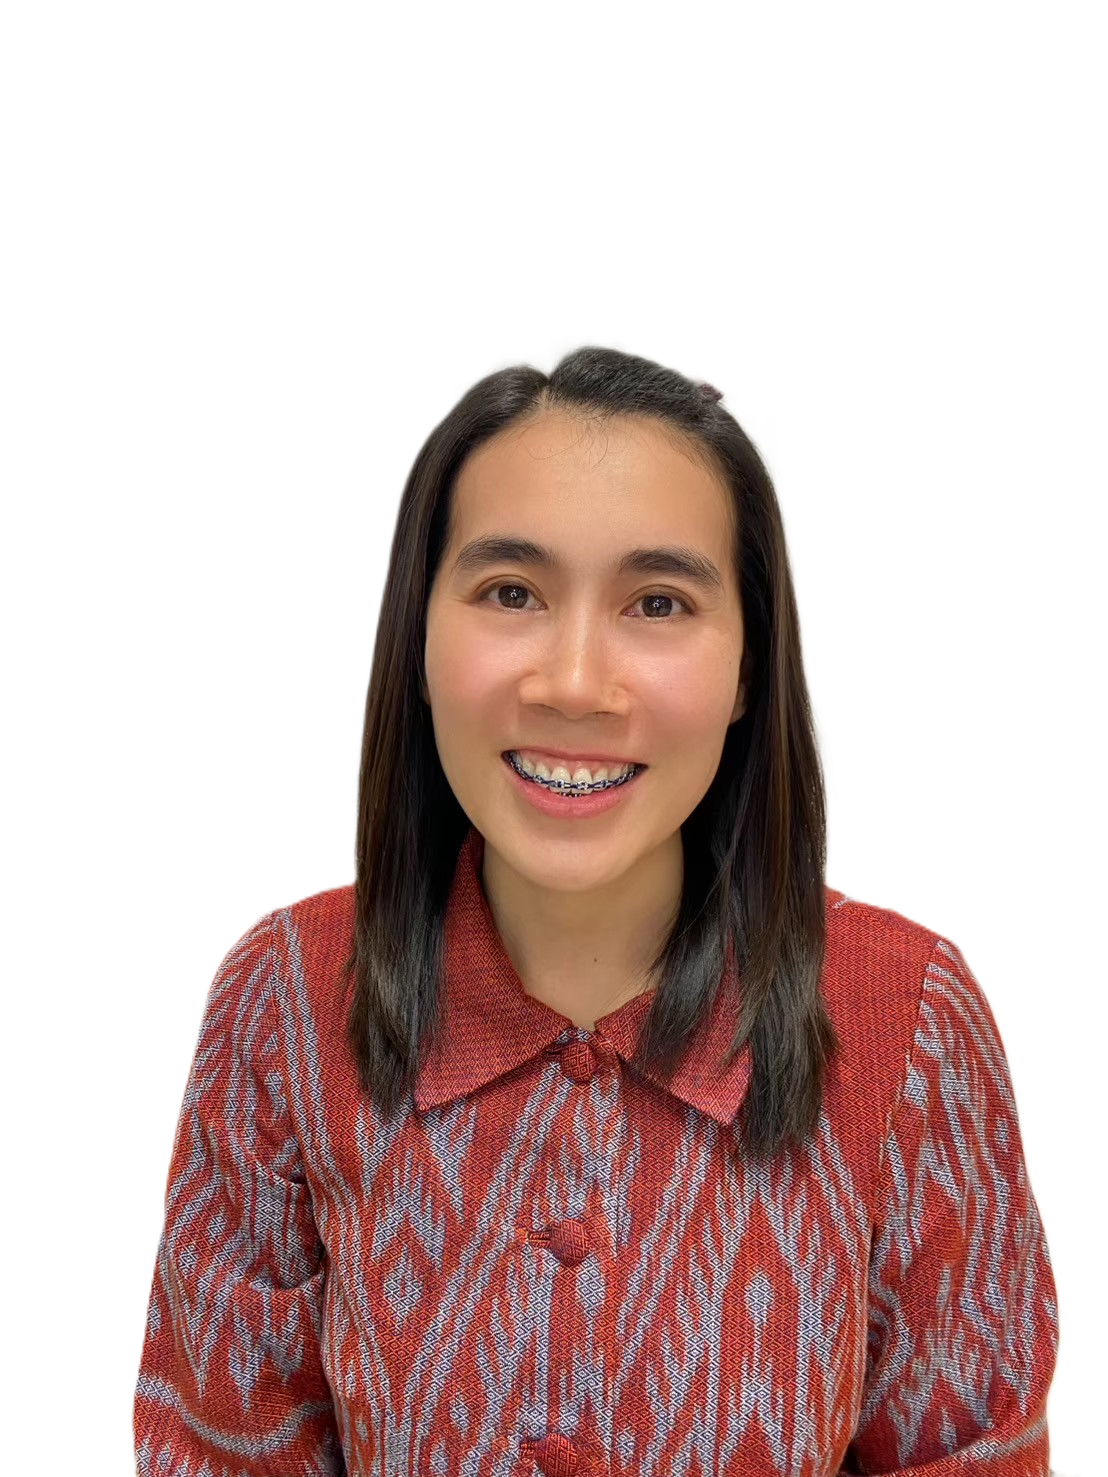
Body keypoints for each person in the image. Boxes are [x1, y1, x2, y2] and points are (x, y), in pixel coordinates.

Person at [130, 341, 1059, 1475]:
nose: (574, 681)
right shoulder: (285, 993)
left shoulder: (907, 1016)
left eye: (658, 602)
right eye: (510, 592)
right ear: (418, 634)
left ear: (748, 668)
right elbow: (220, 1446)